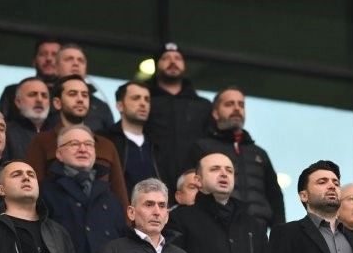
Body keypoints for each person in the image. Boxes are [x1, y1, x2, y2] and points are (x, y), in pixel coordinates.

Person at [184, 87, 285, 232]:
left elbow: (275, 197)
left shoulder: (259, 153)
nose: (237, 108)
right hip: (215, 229)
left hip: (258, 232)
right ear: (215, 113)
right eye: (229, 104)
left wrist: (279, 234)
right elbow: (189, 187)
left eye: (241, 105)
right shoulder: (202, 147)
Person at [39, 125, 127, 253]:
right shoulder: (44, 191)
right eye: (74, 144)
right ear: (59, 154)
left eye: (89, 144)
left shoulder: (111, 198)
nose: (83, 149)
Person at [26, 75, 129, 207]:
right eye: (72, 94)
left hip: (101, 217)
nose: (80, 99)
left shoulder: (106, 145)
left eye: (85, 95)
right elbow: (33, 192)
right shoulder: (42, 142)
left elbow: (120, 197)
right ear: (57, 103)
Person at [145, 42, 213, 185]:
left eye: (177, 58)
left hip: (194, 182)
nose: (172, 62)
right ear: (156, 65)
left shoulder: (202, 105)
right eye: (166, 58)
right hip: (153, 181)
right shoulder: (146, 101)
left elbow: (211, 144)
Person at [99, 81, 159, 197]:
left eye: (147, 100)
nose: (143, 103)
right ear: (120, 106)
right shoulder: (105, 140)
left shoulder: (157, 143)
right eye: (136, 98)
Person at [50, 44, 114, 132]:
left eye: (81, 60)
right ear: (56, 67)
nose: (76, 63)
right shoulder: (43, 99)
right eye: (69, 59)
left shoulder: (102, 107)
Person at [0, 39, 61, 124]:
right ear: (34, 61)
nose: (49, 59)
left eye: (55, 55)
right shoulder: (11, 93)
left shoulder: (69, 94)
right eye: (43, 54)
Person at [5, 77, 56, 160]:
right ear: (18, 102)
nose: (39, 100)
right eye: (32, 94)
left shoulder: (59, 132)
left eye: (44, 96)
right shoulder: (6, 133)